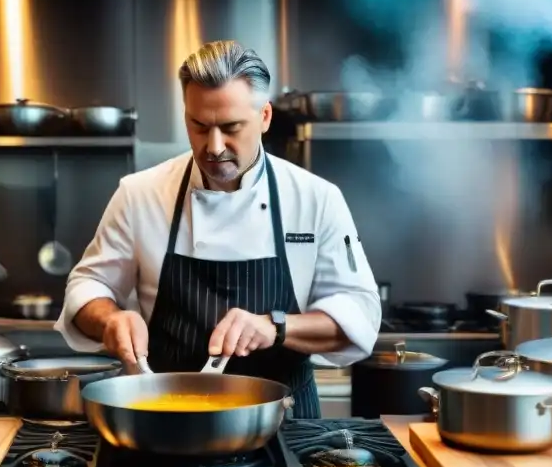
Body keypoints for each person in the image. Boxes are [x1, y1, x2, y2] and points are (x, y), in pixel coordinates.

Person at [55, 40, 381, 418]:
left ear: (264, 117)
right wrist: (111, 319)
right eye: (199, 126)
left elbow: (359, 316)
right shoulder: (140, 194)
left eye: (230, 127)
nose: (213, 147)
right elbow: (86, 288)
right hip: (166, 419)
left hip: (285, 422)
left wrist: (276, 327)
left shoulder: (316, 198)